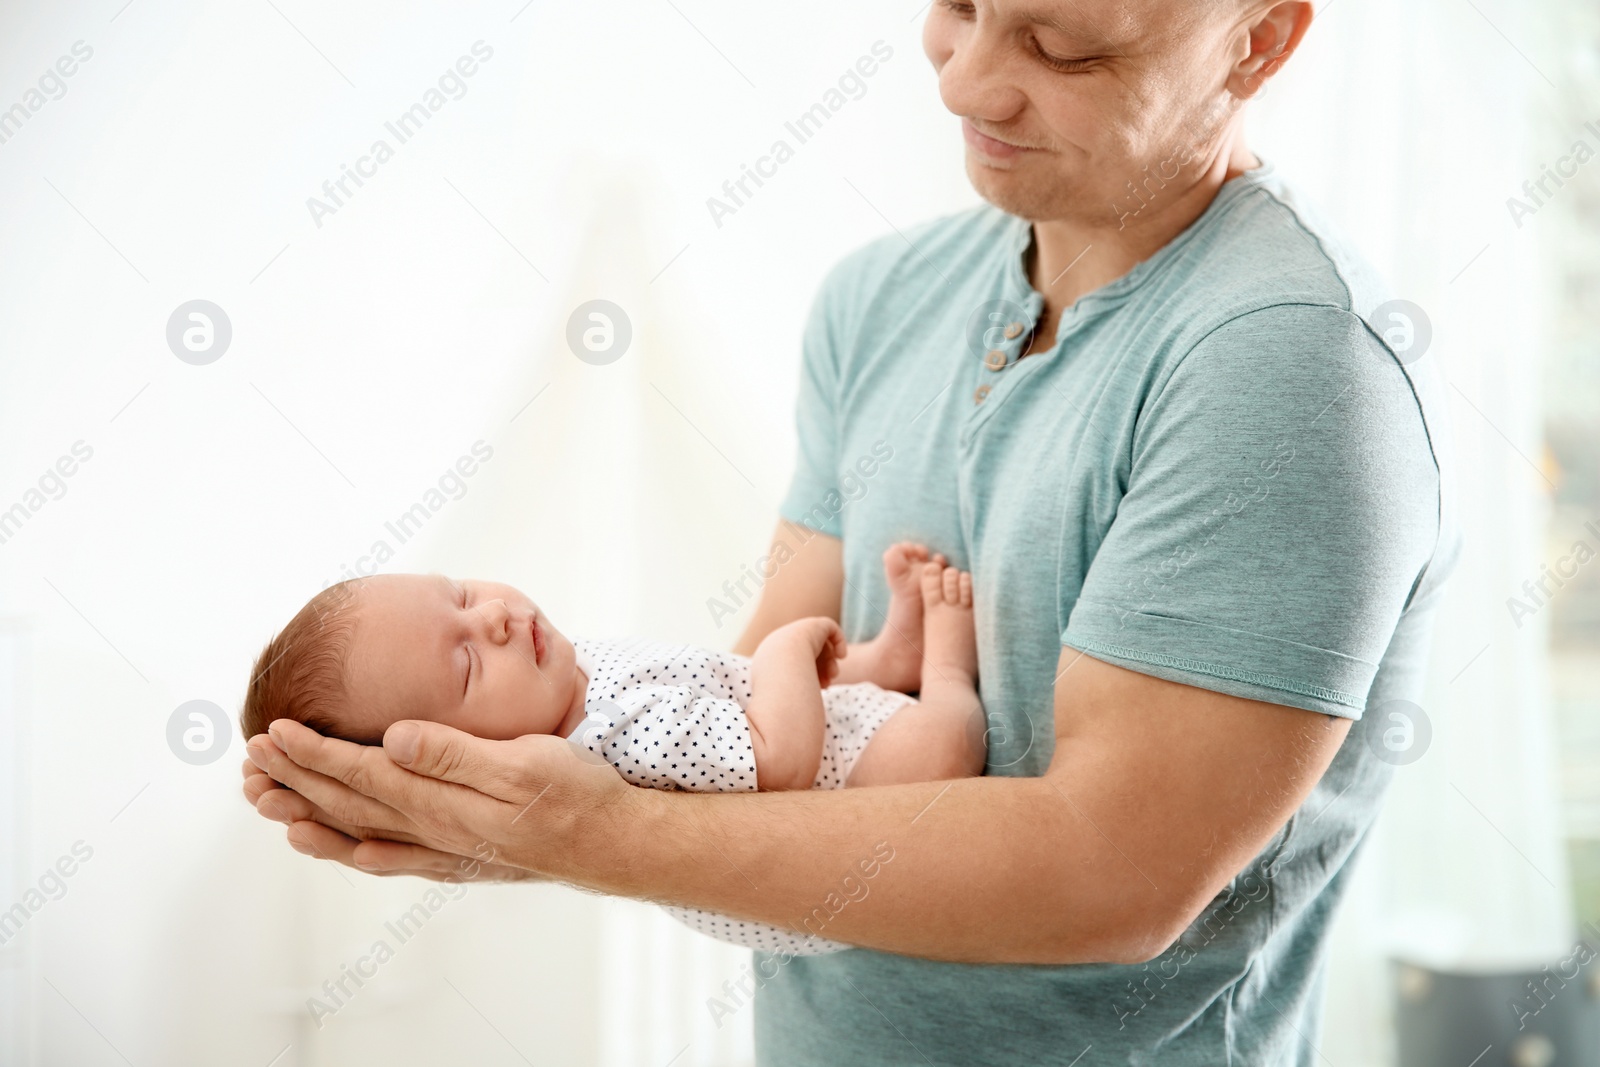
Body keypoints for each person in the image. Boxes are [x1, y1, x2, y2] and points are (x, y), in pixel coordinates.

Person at [244, 0, 1459, 1061]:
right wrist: (514, 811)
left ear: (1258, 40)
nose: (964, 79)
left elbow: (1108, 873)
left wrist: (592, 831)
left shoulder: (1291, 369)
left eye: (1059, 45)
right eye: (958, 2)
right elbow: (764, 714)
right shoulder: (881, 301)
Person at [238, 553, 982, 954]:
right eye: (465, 666)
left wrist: (786, 670)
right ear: (460, 758)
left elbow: (723, 687)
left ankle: (888, 656)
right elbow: (777, 755)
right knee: (939, 748)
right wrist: (787, 648)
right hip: (834, 815)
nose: (494, 616)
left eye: (460, 592)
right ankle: (945, 670)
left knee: (789, 684)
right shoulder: (603, 740)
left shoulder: (558, 672)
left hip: (821, 735)